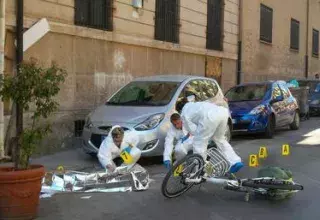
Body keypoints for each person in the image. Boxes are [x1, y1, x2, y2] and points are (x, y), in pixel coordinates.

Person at [177, 98, 243, 174]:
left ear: (179, 110)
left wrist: (204, 136)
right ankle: (235, 161)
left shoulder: (184, 113)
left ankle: (200, 170)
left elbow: (192, 130)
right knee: (220, 139)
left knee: (199, 143)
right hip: (223, 113)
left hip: (209, 117)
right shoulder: (196, 104)